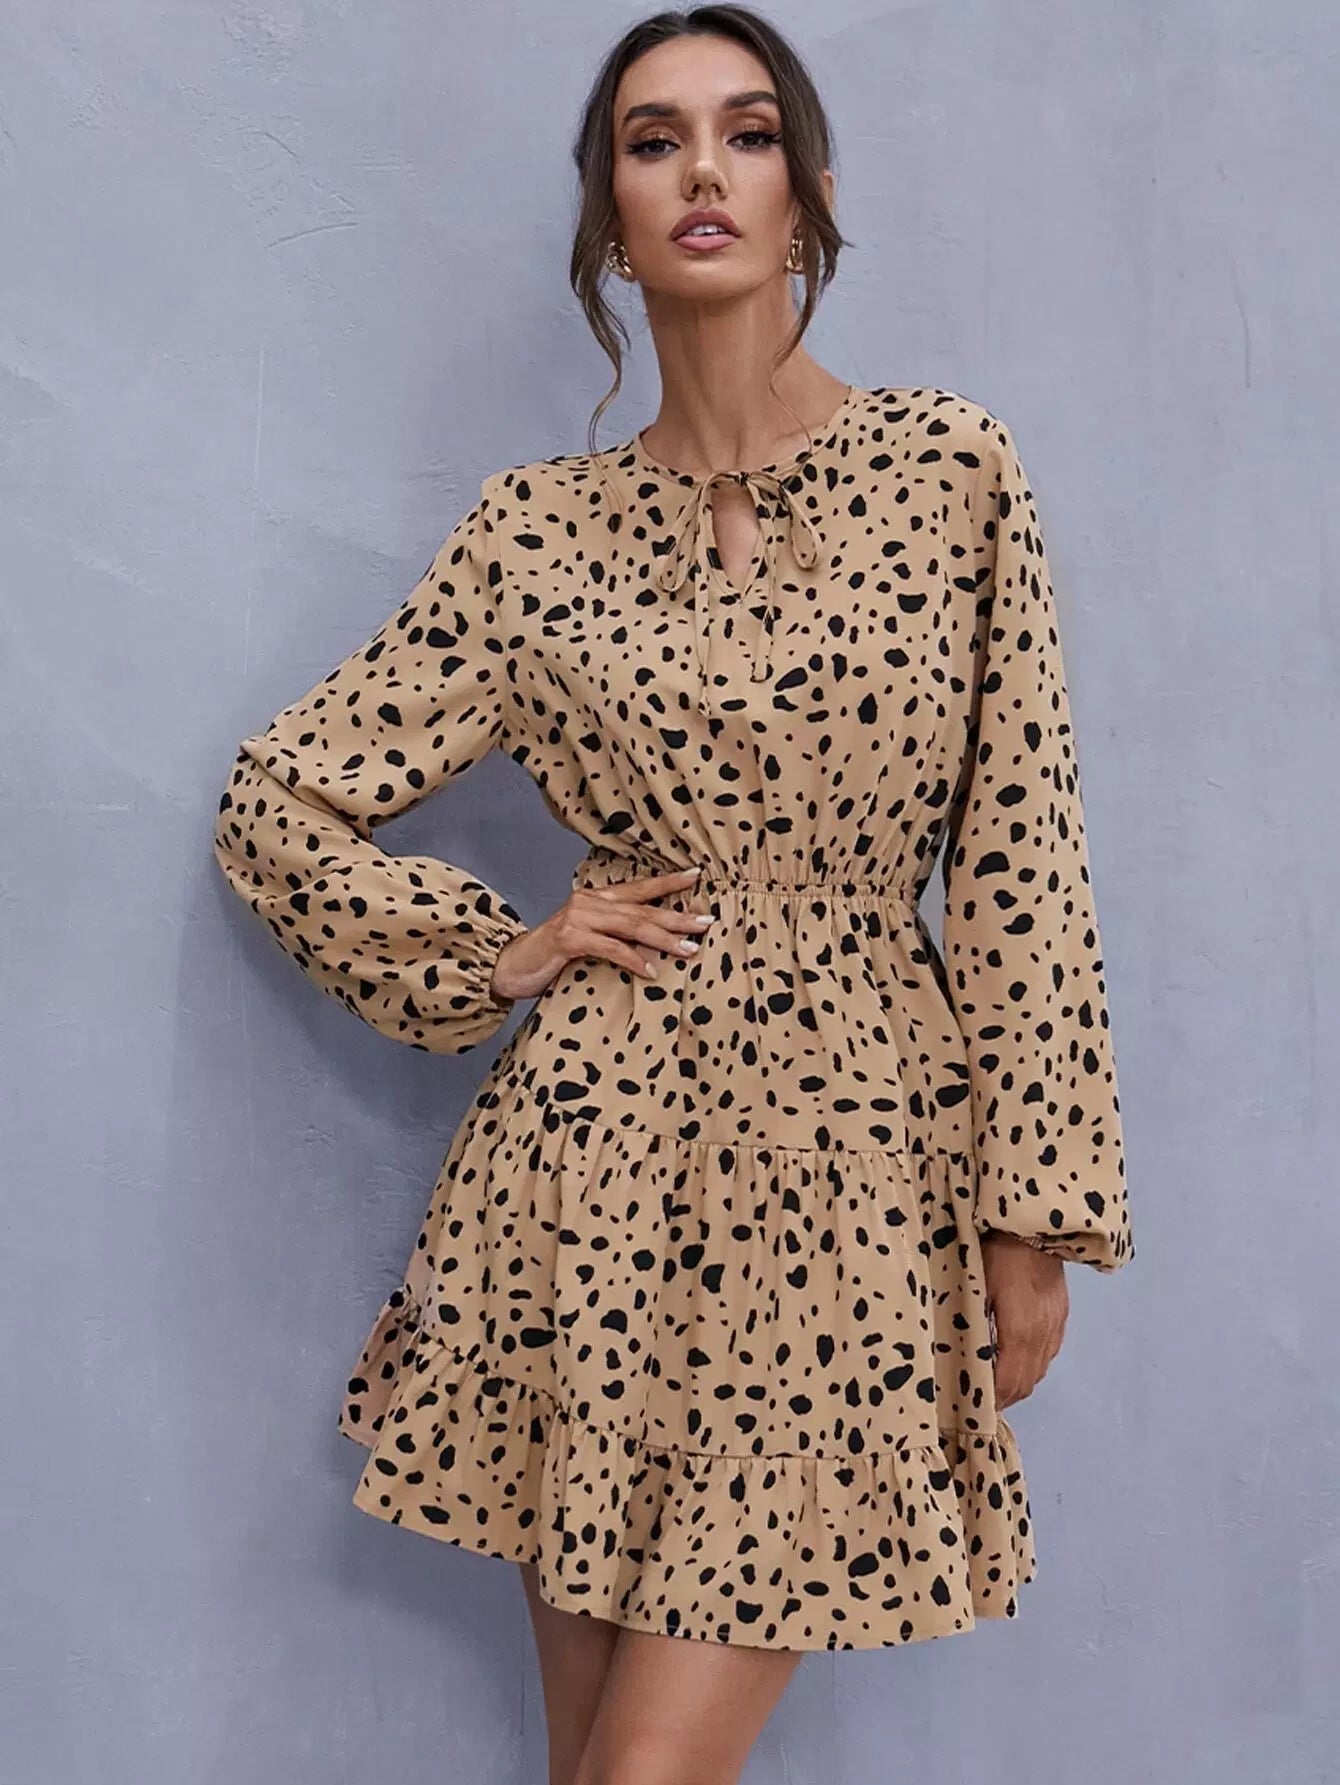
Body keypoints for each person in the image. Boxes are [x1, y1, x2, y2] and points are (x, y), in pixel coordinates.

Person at [212, 7, 1134, 1782]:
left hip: (856, 1175)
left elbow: (1024, 858)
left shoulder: (951, 470)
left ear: (809, 195)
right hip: (590, 1180)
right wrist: (505, 948)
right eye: (653, 141)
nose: (703, 168)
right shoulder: (533, 531)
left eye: (747, 132)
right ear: (610, 218)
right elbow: (282, 801)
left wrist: (1032, 1215)